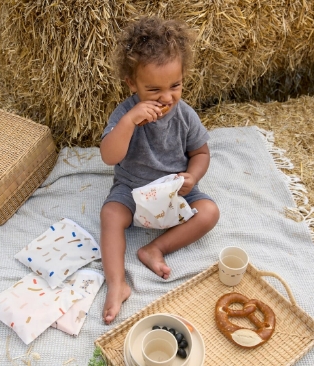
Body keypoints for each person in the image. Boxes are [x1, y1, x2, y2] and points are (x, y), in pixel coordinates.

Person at [99, 16, 220, 324]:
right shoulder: (124, 113)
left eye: (175, 86)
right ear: (131, 83)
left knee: (209, 212)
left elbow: (200, 153)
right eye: (153, 89)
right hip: (133, 190)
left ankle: (155, 249)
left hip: (175, 190)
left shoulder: (185, 115)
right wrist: (129, 122)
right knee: (111, 215)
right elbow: (109, 157)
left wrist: (192, 176)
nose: (167, 98)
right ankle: (116, 284)